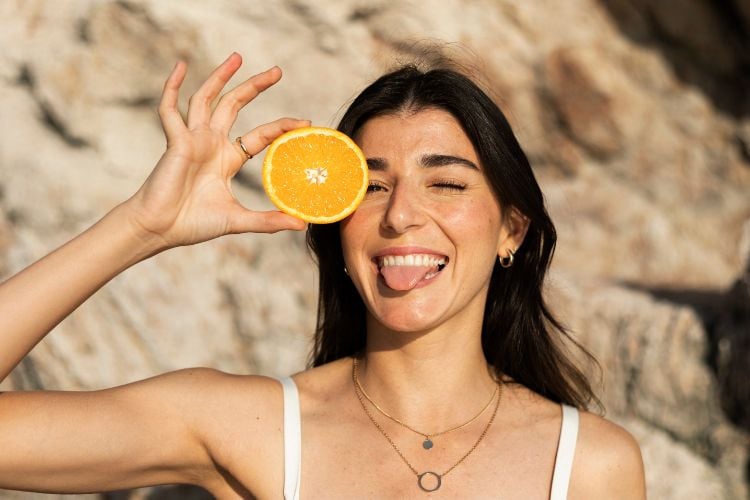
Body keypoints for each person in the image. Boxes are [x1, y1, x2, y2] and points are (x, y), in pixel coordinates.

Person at [0, 52, 646, 499]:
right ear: (335, 224)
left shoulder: (590, 464)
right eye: (370, 187)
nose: (400, 216)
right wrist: (142, 226)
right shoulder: (246, 427)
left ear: (512, 229)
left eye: (445, 183)